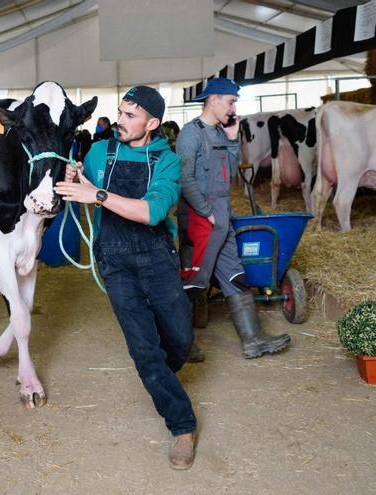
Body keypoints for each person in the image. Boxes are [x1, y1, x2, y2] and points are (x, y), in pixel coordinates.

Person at [54, 86, 196, 470]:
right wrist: (74, 175)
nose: (120, 120)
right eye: (120, 112)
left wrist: (96, 194)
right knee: (144, 350)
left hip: (157, 256)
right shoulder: (100, 152)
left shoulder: (168, 161)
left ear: (152, 124)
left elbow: (152, 212)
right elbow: (79, 182)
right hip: (114, 260)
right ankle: (182, 426)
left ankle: (161, 376)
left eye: (130, 116)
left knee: (180, 339)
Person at [176, 77, 291, 361]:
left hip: (223, 213)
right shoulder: (190, 134)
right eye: (230, 101)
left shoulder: (219, 133)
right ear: (213, 100)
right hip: (200, 216)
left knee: (235, 275)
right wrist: (206, 212)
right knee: (193, 281)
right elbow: (184, 179)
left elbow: (229, 172)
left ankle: (253, 340)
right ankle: (181, 346)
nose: (233, 108)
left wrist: (231, 140)